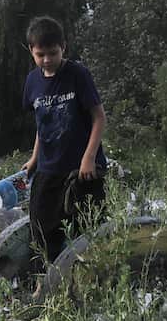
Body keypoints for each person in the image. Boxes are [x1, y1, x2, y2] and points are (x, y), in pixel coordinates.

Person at [20, 15, 108, 279]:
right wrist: (34, 158)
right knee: (42, 228)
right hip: (49, 168)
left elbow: (99, 117)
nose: (47, 60)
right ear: (31, 51)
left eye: (53, 53)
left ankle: (90, 281)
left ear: (63, 48)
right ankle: (47, 283)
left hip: (82, 171)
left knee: (87, 228)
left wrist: (88, 158)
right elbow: (43, 123)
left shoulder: (77, 74)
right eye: (41, 54)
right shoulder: (32, 82)